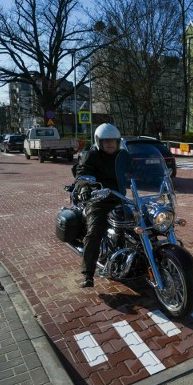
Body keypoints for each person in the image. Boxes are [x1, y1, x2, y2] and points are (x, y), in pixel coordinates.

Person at [74, 123, 122, 288]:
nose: (110, 144)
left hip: (119, 197)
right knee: (94, 231)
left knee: (144, 222)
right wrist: (86, 186)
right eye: (106, 141)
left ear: (118, 142)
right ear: (99, 142)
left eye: (113, 141)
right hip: (98, 199)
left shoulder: (121, 156)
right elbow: (82, 173)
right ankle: (88, 274)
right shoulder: (91, 156)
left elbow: (135, 170)